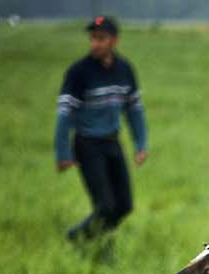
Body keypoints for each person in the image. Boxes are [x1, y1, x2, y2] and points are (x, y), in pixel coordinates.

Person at [55, 15, 148, 244]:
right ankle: (75, 240)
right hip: (87, 145)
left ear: (114, 41)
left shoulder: (124, 69)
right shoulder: (79, 72)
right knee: (105, 206)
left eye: (101, 39)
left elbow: (134, 109)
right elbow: (65, 115)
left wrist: (140, 144)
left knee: (124, 206)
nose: (95, 43)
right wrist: (63, 153)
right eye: (93, 38)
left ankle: (91, 241)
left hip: (112, 142)